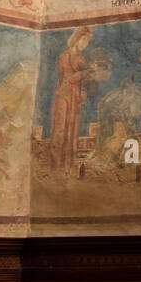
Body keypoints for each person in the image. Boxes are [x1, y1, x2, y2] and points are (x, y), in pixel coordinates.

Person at [50, 26, 94, 172]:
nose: (85, 44)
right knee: (60, 131)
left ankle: (67, 168)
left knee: (72, 131)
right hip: (63, 96)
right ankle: (56, 167)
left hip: (74, 97)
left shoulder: (81, 58)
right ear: (77, 38)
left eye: (88, 41)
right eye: (84, 40)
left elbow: (81, 80)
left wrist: (84, 88)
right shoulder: (65, 55)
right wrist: (86, 72)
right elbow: (69, 78)